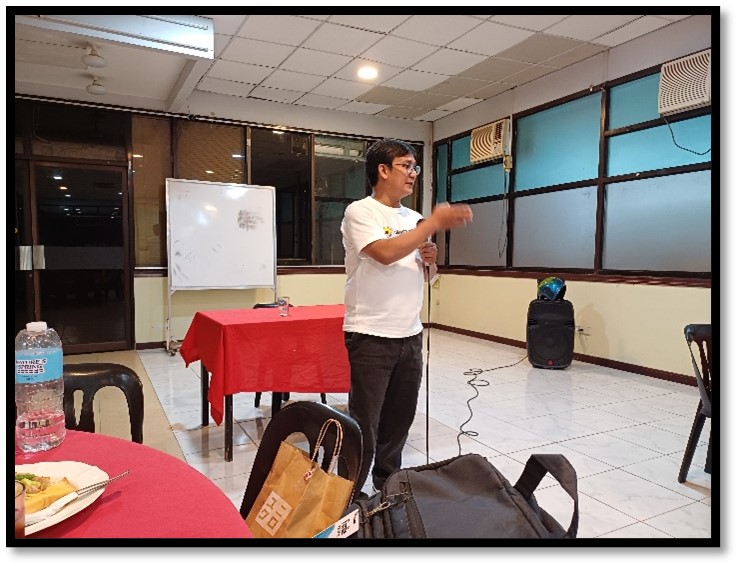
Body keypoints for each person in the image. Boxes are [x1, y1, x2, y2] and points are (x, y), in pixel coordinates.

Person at [340, 138, 473, 492]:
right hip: (370, 334)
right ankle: (349, 491)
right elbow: (384, 253)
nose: (413, 173)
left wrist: (431, 263)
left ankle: (388, 484)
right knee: (365, 422)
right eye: (406, 166)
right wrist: (431, 225)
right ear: (383, 170)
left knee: (400, 419)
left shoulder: (413, 219)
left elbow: (426, 275)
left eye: (415, 167)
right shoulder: (361, 211)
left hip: (410, 334)